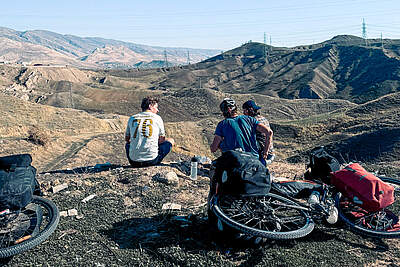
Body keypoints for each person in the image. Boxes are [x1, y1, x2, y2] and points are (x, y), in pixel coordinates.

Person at [125, 96, 174, 167]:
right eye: (156, 107)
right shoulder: (157, 118)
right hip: (151, 161)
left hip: (133, 162)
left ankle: (136, 156)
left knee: (127, 145)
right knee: (170, 140)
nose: (157, 110)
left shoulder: (132, 118)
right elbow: (162, 139)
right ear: (150, 106)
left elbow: (127, 139)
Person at [242, 100, 275, 166]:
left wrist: (265, 152)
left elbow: (269, 132)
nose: (243, 112)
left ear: (249, 110)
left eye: (245, 110)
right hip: (270, 151)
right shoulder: (263, 118)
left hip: (262, 153)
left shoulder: (253, 121)